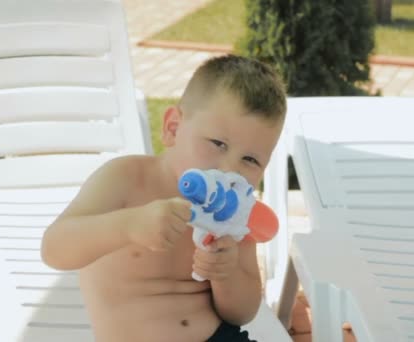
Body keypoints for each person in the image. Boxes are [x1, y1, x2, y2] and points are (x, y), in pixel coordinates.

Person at [41, 54, 287, 342]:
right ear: (173, 128)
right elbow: (54, 248)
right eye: (218, 144)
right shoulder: (128, 178)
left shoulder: (235, 215)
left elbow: (242, 313)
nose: (230, 169)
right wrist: (129, 226)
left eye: (250, 160)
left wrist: (226, 273)